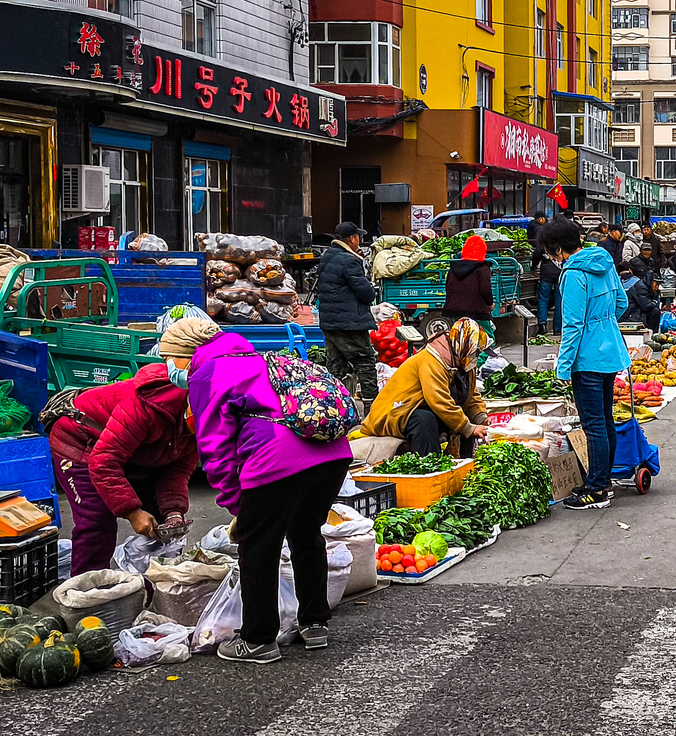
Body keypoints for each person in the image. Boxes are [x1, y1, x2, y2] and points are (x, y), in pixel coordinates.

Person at [172, 320, 352, 663]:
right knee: (306, 533)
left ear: (185, 354)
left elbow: (215, 447)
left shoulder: (206, 374)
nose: (170, 367)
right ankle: (315, 623)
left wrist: (236, 504)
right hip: (333, 453)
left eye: (169, 358)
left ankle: (257, 639)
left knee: (258, 545)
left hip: (277, 459)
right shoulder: (258, 360)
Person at [45, 352, 195, 577]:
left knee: (161, 521)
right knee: (97, 523)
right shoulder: (148, 406)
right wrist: (133, 513)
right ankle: (87, 593)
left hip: (133, 452)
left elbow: (177, 468)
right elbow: (104, 462)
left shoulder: (205, 424)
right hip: (81, 441)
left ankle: (155, 586)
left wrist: (173, 511)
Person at [544, 218, 629, 510]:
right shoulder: (603, 261)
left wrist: (563, 367)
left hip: (587, 357)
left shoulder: (573, 274)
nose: (552, 259)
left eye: (550, 253)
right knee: (605, 421)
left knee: (593, 425)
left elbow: (572, 326)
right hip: (610, 351)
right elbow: (621, 303)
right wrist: (603, 325)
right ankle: (604, 481)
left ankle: (596, 489)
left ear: (558, 249)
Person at [360, 319, 493, 456]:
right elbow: (438, 400)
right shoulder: (432, 360)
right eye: (476, 352)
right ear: (466, 346)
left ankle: (465, 466)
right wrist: (468, 428)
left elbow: (471, 396)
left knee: (465, 421)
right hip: (398, 411)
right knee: (425, 420)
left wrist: (480, 418)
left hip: (424, 407)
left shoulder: (463, 360)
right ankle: (430, 467)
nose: (476, 357)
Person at [313, 222, 379, 413]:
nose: (360, 240)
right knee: (365, 362)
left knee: (336, 367)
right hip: (350, 324)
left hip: (330, 323)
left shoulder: (328, 257)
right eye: (358, 237)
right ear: (352, 239)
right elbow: (366, 293)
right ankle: (371, 408)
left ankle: (330, 407)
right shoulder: (348, 260)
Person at [442, 234, 495, 335]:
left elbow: (448, 287)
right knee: (487, 340)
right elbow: (485, 289)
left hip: (454, 311)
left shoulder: (454, 267)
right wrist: (490, 304)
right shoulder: (482, 268)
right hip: (477, 311)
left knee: (460, 342)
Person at [619, 263, 660, 328]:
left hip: (637, 311)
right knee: (655, 312)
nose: (657, 287)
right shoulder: (641, 287)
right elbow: (646, 306)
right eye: (656, 284)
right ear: (651, 282)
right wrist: (655, 302)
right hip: (631, 314)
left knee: (655, 311)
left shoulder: (646, 287)